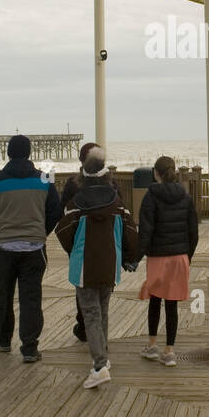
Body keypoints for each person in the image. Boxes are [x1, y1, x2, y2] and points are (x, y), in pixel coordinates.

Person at [55, 147, 139, 389]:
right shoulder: (117, 204)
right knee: (102, 311)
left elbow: (62, 231)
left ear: (84, 174)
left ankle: (100, 366)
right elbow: (131, 231)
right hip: (110, 264)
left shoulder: (75, 204)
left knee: (91, 313)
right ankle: (103, 357)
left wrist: (75, 251)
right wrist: (129, 257)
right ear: (106, 175)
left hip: (83, 266)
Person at [0, 134, 61, 364]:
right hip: (34, 248)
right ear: (29, 153)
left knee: (3, 294)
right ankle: (30, 348)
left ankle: (3, 340)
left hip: (3, 247)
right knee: (31, 297)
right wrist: (41, 232)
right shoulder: (45, 179)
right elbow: (56, 210)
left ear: (8, 153)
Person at [136, 155, 198, 367]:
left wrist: (135, 256)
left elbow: (146, 230)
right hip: (180, 256)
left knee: (155, 300)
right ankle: (169, 351)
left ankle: (152, 346)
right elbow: (193, 231)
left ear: (156, 173)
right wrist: (187, 256)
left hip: (158, 256)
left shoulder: (150, 196)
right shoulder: (186, 196)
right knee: (171, 304)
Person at [61, 141, 120, 344]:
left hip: (81, 245)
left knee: (85, 290)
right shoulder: (112, 186)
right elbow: (121, 215)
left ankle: (87, 329)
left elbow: (64, 218)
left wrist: (72, 246)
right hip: (108, 247)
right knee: (103, 298)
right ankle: (99, 343)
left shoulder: (73, 184)